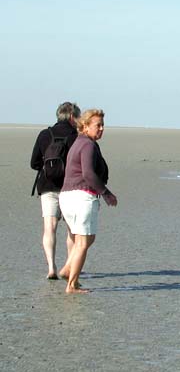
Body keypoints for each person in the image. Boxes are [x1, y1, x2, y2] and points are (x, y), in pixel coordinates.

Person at [59, 109, 118, 294]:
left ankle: (68, 269)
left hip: (67, 196)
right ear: (84, 126)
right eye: (97, 125)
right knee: (83, 242)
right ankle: (72, 284)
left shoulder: (79, 142)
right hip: (81, 197)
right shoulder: (87, 145)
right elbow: (88, 174)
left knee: (85, 238)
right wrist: (107, 194)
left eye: (102, 125)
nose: (101, 129)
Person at [30, 102, 81, 280]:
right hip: (70, 187)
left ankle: (51, 267)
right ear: (73, 117)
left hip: (47, 185)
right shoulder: (76, 136)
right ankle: (69, 265)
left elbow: (34, 163)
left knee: (49, 227)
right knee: (71, 229)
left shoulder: (45, 134)